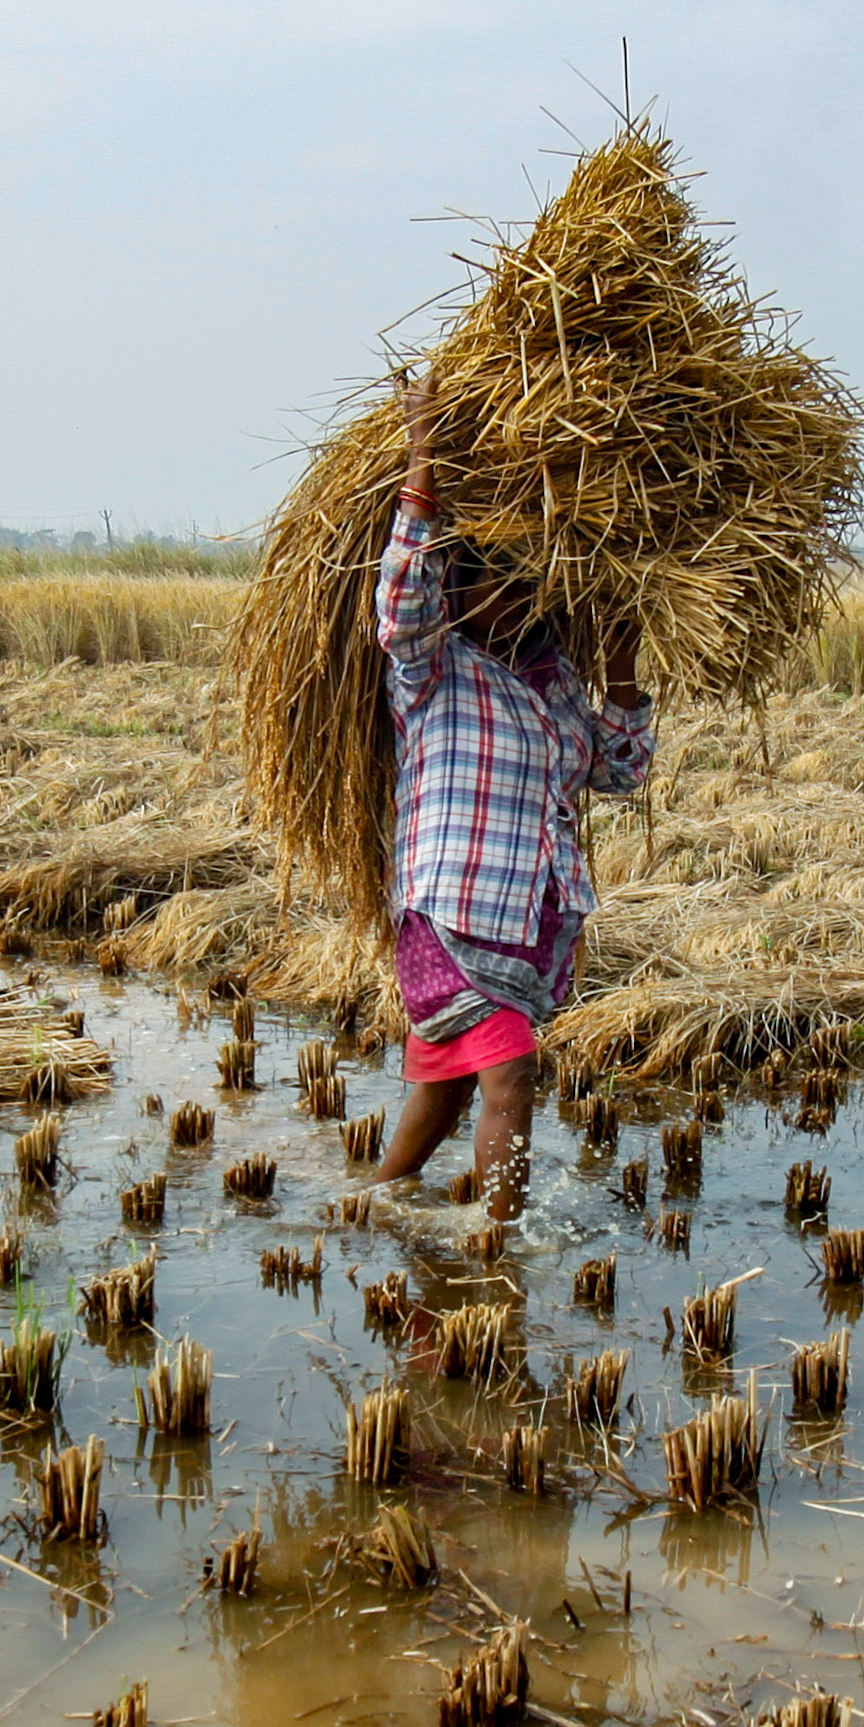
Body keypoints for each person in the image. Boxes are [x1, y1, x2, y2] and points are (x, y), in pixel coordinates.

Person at [370, 365, 653, 1215]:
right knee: (512, 1070)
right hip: (449, 914)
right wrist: (424, 453)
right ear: (460, 584)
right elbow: (398, 598)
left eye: (525, 579)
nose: (511, 592)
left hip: (529, 914)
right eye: (492, 575)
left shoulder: (559, 681)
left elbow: (622, 769)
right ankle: (502, 1246)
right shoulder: (431, 667)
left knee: (447, 1090)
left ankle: (373, 1202)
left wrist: (621, 669)